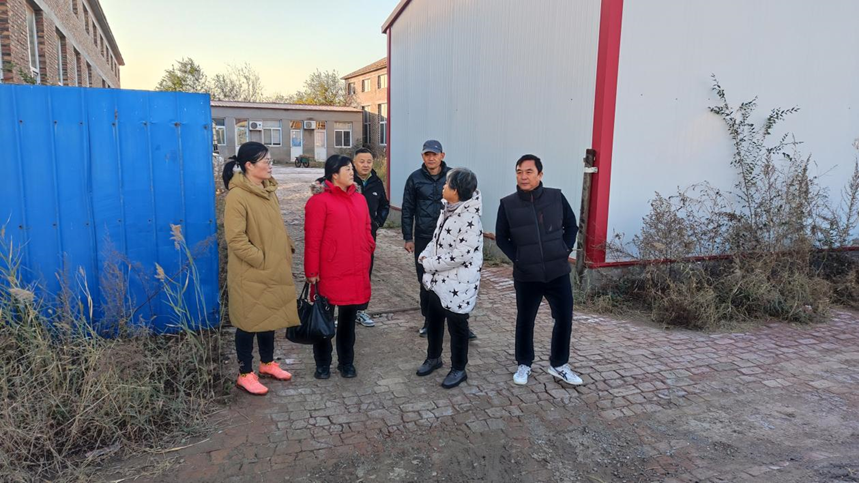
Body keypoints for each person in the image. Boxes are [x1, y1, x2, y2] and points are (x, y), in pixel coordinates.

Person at [495, 154, 582, 386]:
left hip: (557, 272)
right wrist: (519, 259)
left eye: (529, 172)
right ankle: (524, 363)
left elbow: (571, 225)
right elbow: (502, 238)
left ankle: (559, 364)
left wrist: (564, 249)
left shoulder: (556, 197)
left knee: (564, 318)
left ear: (540, 174)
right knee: (525, 320)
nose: (523, 176)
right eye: (519, 172)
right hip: (527, 275)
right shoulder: (508, 204)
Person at [223, 142, 299, 396]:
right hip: (251, 271)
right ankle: (245, 373)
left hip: (273, 267)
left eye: (270, 161)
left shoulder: (268, 191)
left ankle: (267, 363)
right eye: (266, 161)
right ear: (249, 165)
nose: (270, 165)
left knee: (269, 316)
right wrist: (261, 259)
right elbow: (235, 239)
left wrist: (286, 247)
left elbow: (275, 226)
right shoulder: (237, 196)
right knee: (247, 322)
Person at [305, 155, 375, 379]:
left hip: (355, 269)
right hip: (329, 271)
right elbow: (312, 240)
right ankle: (322, 364)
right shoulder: (319, 202)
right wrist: (312, 271)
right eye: (347, 169)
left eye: (351, 168)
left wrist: (368, 246)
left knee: (348, 323)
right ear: (334, 174)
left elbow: (367, 227)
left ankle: (346, 363)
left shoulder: (359, 199)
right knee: (323, 320)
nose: (352, 172)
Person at [402, 140, 476, 340]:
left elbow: (465, 203)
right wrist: (408, 237)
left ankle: (460, 321)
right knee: (426, 280)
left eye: (434, 154)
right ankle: (429, 321)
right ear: (422, 156)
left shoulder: (453, 177)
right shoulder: (414, 179)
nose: (431, 158)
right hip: (425, 236)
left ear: (442, 155)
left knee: (455, 279)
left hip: (451, 237)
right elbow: (407, 208)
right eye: (427, 154)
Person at [416, 168, 483, 389]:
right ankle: (433, 357)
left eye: (447, 184)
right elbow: (436, 240)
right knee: (434, 321)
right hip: (438, 282)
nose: (443, 186)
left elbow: (461, 255)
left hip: (458, 285)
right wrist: (425, 254)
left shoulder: (470, 219)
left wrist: (429, 264)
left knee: (457, 328)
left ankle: (459, 368)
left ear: (456, 190)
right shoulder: (447, 210)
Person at [352, 148, 390, 328]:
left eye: (369, 161)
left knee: (365, 272)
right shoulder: (347, 180)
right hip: (348, 235)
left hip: (368, 236)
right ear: (354, 163)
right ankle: (343, 311)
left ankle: (360, 310)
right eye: (362, 161)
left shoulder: (376, 182)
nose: (365, 165)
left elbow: (384, 205)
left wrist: (377, 223)